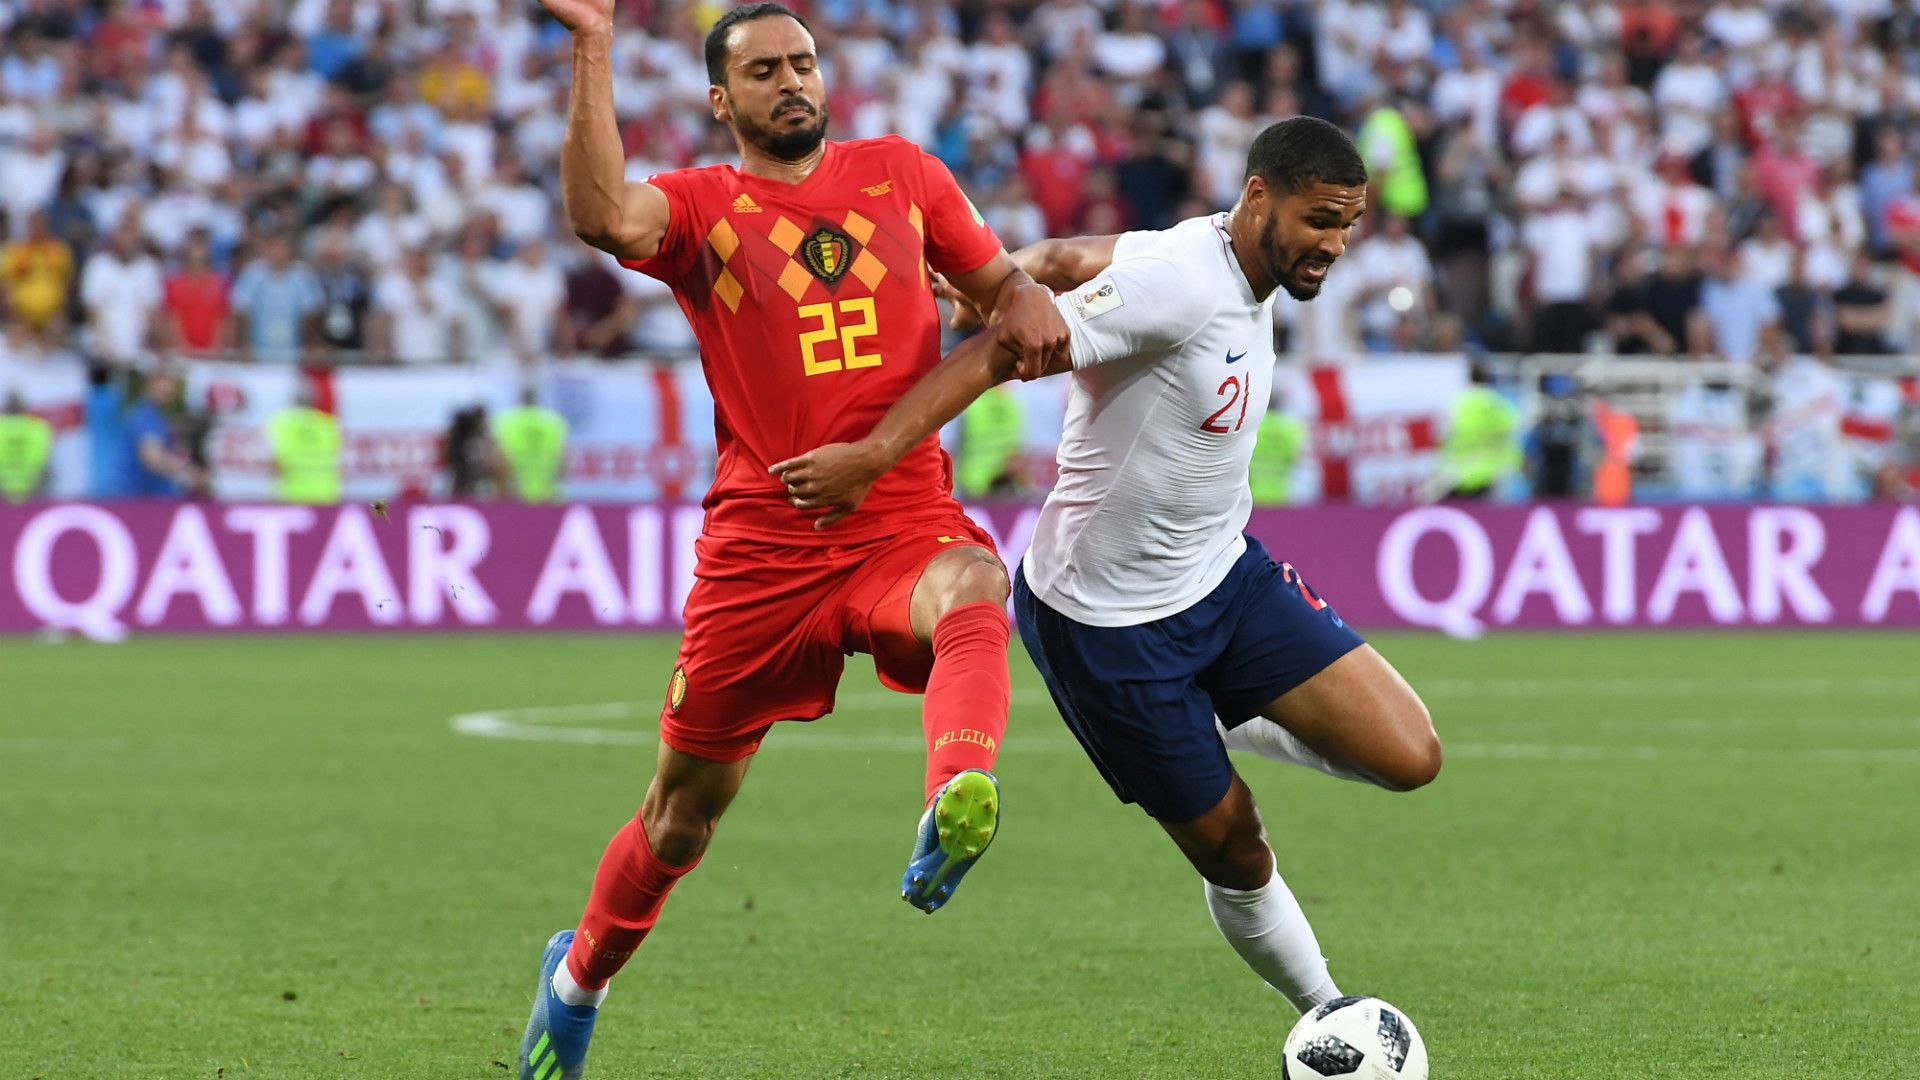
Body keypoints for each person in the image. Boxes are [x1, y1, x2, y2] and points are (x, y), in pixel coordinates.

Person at [776, 117, 1441, 1023]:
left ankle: (1219, 719)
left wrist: (1004, 275)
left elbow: (1064, 259)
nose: (1335, 244)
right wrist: (872, 453)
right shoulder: (1179, 286)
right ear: (1258, 198)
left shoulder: (1214, 253)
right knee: (1239, 848)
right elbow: (1006, 353)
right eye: (1321, 220)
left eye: (1349, 224)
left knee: (1412, 756)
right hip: (1106, 628)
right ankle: (1328, 1011)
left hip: (1224, 577)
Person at [516, 4, 1070, 1077]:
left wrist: (1027, 287)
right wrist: (593, 43)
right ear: (723, 101)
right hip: (763, 551)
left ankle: (959, 792)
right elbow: (600, 217)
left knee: (972, 584)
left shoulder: (905, 175)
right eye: (763, 71)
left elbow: (1002, 289)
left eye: (803, 63)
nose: (791, 82)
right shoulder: (701, 208)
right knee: (680, 822)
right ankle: (577, 979)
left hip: (899, 516)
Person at [265, 386, 342, 505]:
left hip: (291, 492)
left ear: (292, 400)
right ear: (314, 400)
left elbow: (276, 462)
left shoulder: (281, 423)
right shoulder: (327, 424)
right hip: (324, 492)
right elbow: (338, 460)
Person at [494, 387, 570, 503]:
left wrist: (504, 492)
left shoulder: (507, 422)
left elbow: (500, 460)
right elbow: (562, 460)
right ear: (537, 400)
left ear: (520, 400)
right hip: (547, 492)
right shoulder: (553, 422)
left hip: (517, 492)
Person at [0, 392, 54, 502]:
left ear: (5, 407)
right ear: (24, 408)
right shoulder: (39, 428)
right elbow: (46, 467)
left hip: (3, 493)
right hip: (33, 491)